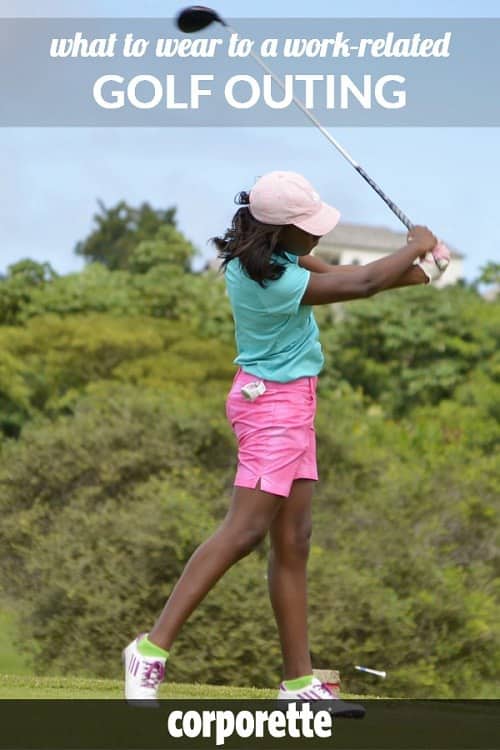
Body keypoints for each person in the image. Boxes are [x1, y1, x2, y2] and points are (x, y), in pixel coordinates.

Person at [123, 170, 450, 704]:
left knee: (293, 543)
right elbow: (359, 284)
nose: (317, 236)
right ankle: (151, 650)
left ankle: (298, 684)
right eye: (309, 227)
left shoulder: (274, 258)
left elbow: (365, 278)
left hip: (293, 406)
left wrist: (422, 273)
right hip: (269, 408)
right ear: (279, 230)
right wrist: (414, 245)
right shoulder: (273, 279)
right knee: (243, 532)